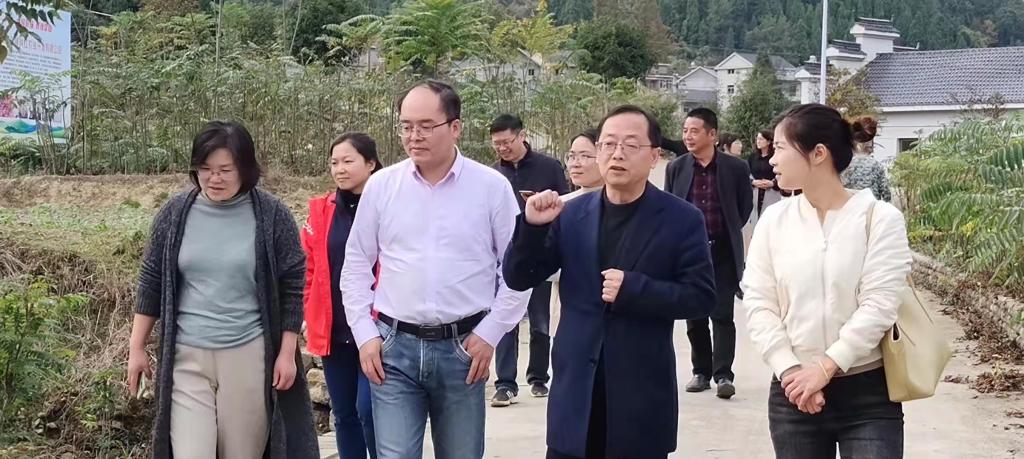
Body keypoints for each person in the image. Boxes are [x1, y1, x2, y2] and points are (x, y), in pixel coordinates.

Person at [504, 105, 716, 459]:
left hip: (640, 399)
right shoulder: (571, 214)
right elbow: (518, 277)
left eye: (630, 145)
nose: (617, 154)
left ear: (654, 156)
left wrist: (636, 289)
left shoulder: (682, 219)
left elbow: (701, 296)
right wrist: (531, 228)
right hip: (575, 397)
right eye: (608, 144)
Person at [340, 80, 530, 459]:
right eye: (406, 126)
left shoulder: (490, 187)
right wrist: (364, 333)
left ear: (455, 127)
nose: (414, 136)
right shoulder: (382, 186)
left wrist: (491, 332)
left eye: (426, 126)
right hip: (394, 349)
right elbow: (357, 263)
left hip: (463, 349)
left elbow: (518, 270)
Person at [127, 121, 318, 458]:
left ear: (245, 168)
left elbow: (291, 285)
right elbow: (151, 279)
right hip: (186, 357)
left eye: (225, 170)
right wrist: (136, 347)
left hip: (247, 355)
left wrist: (287, 352)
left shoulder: (272, 215)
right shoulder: (175, 213)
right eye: (205, 169)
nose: (214, 178)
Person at [742, 103, 912, 458]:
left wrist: (825, 367)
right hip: (793, 392)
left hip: (867, 394)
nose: (772, 159)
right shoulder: (774, 221)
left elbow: (880, 303)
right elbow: (758, 302)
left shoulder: (880, 219)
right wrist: (791, 371)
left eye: (780, 148)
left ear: (818, 153)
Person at [301, 133, 383, 459]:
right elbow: (309, 268)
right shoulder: (322, 210)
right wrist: (309, 311)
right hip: (334, 329)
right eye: (334, 162)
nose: (340, 169)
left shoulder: (388, 206)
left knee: (369, 410)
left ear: (370, 163)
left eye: (348, 161)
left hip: (376, 329)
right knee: (344, 414)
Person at [665, 107, 753, 399]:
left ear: (712, 134)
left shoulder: (735, 168)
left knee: (722, 314)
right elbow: (670, 207)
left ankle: (723, 374)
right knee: (695, 315)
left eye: (694, 131)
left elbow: (743, 208)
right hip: (690, 253)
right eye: (685, 131)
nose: (688, 136)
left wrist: (726, 231)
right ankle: (700, 372)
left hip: (723, 251)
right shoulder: (676, 167)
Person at [489, 114, 569, 406]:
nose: (502, 148)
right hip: (506, 257)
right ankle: (505, 383)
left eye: (507, 142)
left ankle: (538, 376)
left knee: (539, 320)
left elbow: (566, 205)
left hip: (541, 253)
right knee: (505, 320)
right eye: (497, 144)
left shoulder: (549, 167)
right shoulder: (493, 175)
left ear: (522, 136)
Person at [549, 128, 603, 337]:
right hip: (569, 312)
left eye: (585, 156)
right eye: (571, 156)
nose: (575, 163)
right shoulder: (560, 205)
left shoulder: (620, 204)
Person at [841, 117, 892, 202]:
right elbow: (886, 195)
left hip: (849, 207)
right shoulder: (876, 165)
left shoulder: (843, 164)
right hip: (871, 207)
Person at [749, 129, 784, 225]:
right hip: (756, 192)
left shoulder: (775, 157)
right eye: (757, 139)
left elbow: (782, 173)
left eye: (761, 139)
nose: (758, 141)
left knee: (771, 220)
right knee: (755, 221)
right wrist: (753, 182)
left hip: (772, 193)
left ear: (768, 141)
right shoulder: (753, 157)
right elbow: (746, 174)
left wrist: (773, 183)